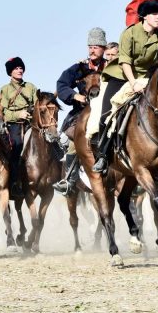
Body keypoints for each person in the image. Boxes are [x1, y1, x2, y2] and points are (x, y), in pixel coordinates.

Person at [88, 0, 158, 173]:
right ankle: (103, 156)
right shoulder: (129, 33)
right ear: (144, 16)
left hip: (146, 78)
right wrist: (133, 83)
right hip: (121, 77)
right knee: (106, 113)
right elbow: (125, 62)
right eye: (155, 14)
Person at [52, 27, 108, 195]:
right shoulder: (78, 68)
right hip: (82, 112)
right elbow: (61, 85)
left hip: (106, 110)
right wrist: (76, 96)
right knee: (72, 144)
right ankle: (69, 180)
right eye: (90, 46)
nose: (92, 49)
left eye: (96, 46)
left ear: (103, 49)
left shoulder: (110, 66)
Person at [0, 57, 39, 199]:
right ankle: (14, 183)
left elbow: (38, 106)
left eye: (21, 68)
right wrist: (18, 114)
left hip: (31, 123)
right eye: (16, 68)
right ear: (10, 72)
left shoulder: (31, 87)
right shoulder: (5, 90)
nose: (19, 70)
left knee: (52, 142)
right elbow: (2, 112)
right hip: (14, 125)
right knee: (16, 146)